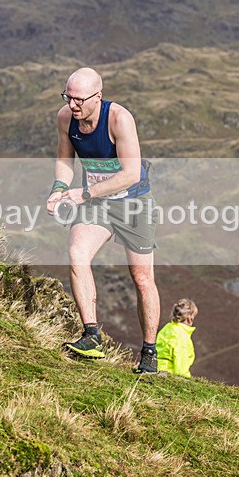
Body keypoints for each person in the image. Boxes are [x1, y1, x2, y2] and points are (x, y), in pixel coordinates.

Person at [46, 68, 160, 373]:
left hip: (133, 202)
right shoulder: (65, 118)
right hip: (97, 202)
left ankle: (149, 352)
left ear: (98, 96)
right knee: (77, 252)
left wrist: (84, 193)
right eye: (68, 97)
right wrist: (59, 188)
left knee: (142, 277)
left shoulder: (119, 119)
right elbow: (65, 159)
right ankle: (91, 336)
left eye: (79, 99)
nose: (72, 105)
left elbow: (131, 173)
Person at [156, 299, 197, 378]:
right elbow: (180, 361)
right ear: (189, 318)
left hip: (156, 368)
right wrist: (184, 378)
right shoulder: (182, 336)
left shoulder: (166, 328)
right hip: (169, 373)